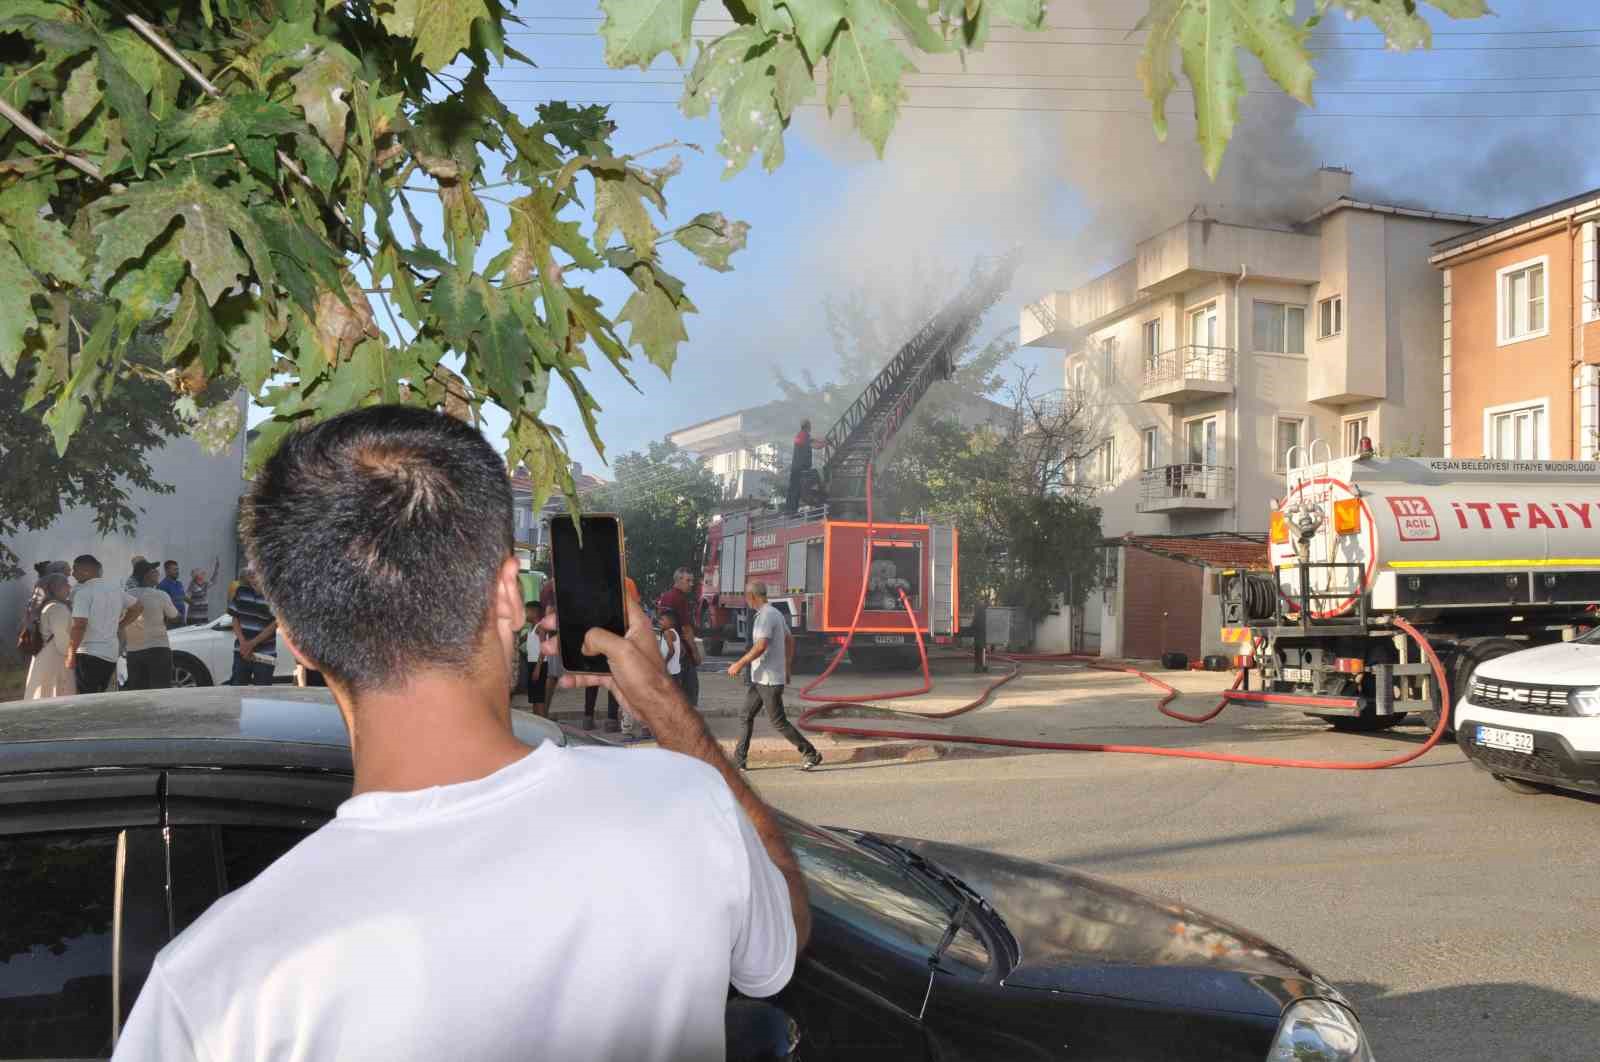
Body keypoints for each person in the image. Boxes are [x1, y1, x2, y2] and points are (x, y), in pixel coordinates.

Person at [114, 404, 807, 1062]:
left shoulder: (211, 987)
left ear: (296, 639)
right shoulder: (684, 807)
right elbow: (780, 948)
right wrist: (665, 706)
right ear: (510, 593)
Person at [729, 581, 822, 772]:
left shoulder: (766, 616)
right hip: (762, 678)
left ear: (752, 597)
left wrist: (739, 664)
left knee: (778, 721)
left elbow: (761, 645)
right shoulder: (775, 613)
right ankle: (739, 762)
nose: (746, 601)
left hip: (769, 680)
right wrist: (787, 667)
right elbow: (790, 639)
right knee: (745, 715)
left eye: (747, 597)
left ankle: (811, 753)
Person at [65, 554, 141, 694]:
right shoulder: (114, 589)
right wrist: (121, 624)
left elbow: (79, 625)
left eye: (75, 570)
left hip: (88, 653)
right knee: (101, 696)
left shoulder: (83, 593)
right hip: (110, 653)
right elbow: (137, 607)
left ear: (86, 571)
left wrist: (70, 654)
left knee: (86, 698)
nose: (72, 574)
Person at [582, 575, 638, 732]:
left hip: (594, 635)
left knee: (593, 678)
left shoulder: (592, 583)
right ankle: (611, 720)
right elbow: (633, 611)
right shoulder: (627, 582)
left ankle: (588, 718)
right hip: (615, 635)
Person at [125, 560, 180, 690]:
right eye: (154, 571)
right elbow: (175, 617)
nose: (157, 573)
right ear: (146, 576)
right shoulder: (160, 595)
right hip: (158, 649)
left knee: (138, 694)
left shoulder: (126, 596)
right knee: (160, 692)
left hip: (134, 651)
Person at [23, 572, 76, 700]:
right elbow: (62, 639)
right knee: (56, 694)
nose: (70, 588)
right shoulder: (57, 608)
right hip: (56, 657)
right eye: (66, 585)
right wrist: (71, 656)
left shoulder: (44, 606)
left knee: (44, 692)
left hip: (43, 655)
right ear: (55, 588)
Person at [656, 566, 701, 707]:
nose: (691, 584)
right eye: (688, 580)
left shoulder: (665, 597)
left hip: (669, 647)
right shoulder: (680, 599)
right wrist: (695, 652)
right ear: (679, 580)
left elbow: (661, 623)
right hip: (682, 650)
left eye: (692, 581)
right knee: (690, 688)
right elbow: (686, 628)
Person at [227, 570, 277, 686]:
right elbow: (235, 618)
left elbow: (275, 624)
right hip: (242, 652)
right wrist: (243, 643)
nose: (252, 575)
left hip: (265, 654)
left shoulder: (274, 594)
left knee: (263, 693)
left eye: (255, 571)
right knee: (237, 690)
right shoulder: (241, 591)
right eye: (250, 573)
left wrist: (251, 644)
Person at [523, 600, 549, 717]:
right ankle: (538, 723)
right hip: (532, 664)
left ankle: (544, 725)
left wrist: (537, 669)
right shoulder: (530, 628)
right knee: (534, 699)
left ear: (534, 612)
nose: (525, 614)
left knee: (539, 699)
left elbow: (543, 649)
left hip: (539, 665)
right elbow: (520, 640)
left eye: (526, 611)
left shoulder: (540, 628)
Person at [785, 419, 815, 514]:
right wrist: (825, 443)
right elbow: (815, 445)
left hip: (796, 466)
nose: (811, 427)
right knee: (796, 489)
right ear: (807, 426)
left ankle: (790, 510)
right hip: (800, 467)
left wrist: (824, 441)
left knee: (793, 488)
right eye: (810, 426)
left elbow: (814, 441)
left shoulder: (801, 435)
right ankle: (792, 511)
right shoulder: (803, 436)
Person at [186, 557, 221, 626]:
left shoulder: (204, 584)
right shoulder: (192, 585)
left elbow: (213, 581)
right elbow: (186, 597)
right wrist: (194, 603)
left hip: (203, 616)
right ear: (197, 576)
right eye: (202, 573)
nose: (204, 574)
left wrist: (216, 568)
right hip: (194, 617)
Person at [158, 560, 188, 627]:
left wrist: (193, 603)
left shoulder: (179, 584)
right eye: (174, 570)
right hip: (170, 623)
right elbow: (161, 605)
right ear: (167, 571)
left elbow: (183, 597)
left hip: (181, 621)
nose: (177, 572)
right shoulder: (162, 585)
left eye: (177, 569)